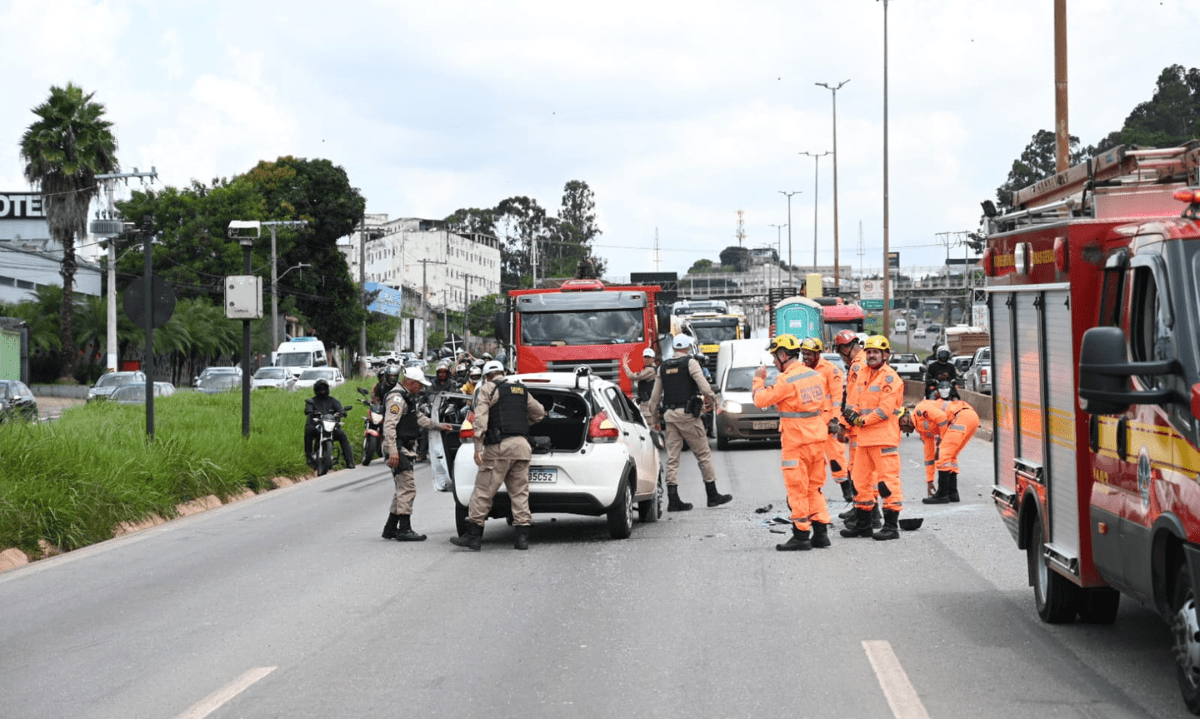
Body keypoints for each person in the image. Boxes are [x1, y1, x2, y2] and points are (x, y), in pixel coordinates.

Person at [450, 360, 546, 551]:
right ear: (503, 372)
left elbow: (480, 420)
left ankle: (473, 537)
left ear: (487, 376)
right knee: (520, 493)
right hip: (522, 446)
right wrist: (521, 426)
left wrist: (478, 447)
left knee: (483, 492)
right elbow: (540, 413)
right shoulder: (521, 390)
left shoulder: (488, 389)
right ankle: (522, 539)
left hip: (499, 448)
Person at [752, 334, 832, 551]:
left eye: (774, 358)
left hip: (797, 443)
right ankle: (821, 533)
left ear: (783, 355)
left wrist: (758, 380)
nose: (774, 363)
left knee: (797, 489)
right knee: (814, 489)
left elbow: (760, 400)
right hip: (817, 440)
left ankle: (801, 535)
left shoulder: (786, 380)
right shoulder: (815, 375)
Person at [649, 333, 732, 511]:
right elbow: (705, 388)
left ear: (674, 348)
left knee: (673, 458)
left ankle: (673, 500)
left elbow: (654, 400)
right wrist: (712, 402)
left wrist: (655, 420)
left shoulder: (662, 367)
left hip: (669, 416)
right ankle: (712, 495)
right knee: (703, 454)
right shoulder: (690, 362)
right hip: (688, 416)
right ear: (688, 348)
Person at [840, 335, 907, 541]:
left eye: (875, 352)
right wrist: (848, 416)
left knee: (887, 483)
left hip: (883, 439)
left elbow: (884, 411)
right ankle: (863, 525)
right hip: (863, 440)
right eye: (868, 352)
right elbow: (855, 402)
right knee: (860, 482)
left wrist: (860, 421)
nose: (871, 355)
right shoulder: (864, 375)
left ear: (885, 355)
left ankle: (891, 527)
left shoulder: (890, 378)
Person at [381, 366, 454, 542]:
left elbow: (419, 418)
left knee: (402, 488)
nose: (421, 388)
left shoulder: (407, 397)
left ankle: (390, 529)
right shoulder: (397, 398)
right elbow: (389, 426)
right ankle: (404, 529)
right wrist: (393, 450)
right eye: (419, 385)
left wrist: (439, 425)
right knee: (408, 488)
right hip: (398, 448)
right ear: (411, 382)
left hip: (403, 447)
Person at [800, 337, 850, 497]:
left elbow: (837, 398)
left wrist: (835, 419)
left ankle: (847, 490)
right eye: (804, 354)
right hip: (810, 423)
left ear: (817, 354)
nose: (806, 357)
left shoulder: (830, 370)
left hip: (828, 421)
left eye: (809, 354)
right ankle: (813, 491)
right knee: (812, 459)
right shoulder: (800, 370)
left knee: (836, 457)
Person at [832, 329, 871, 520]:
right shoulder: (866, 361)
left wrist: (842, 424)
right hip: (865, 424)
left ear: (847, 348)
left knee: (858, 472)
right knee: (863, 472)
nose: (841, 357)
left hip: (858, 426)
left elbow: (852, 400)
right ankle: (863, 509)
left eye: (841, 352)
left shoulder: (857, 366)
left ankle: (865, 512)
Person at [927, 380, 979, 504]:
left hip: (961, 417)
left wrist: (939, 446)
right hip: (972, 417)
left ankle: (942, 494)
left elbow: (941, 425)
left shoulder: (925, 409)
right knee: (951, 456)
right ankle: (952, 493)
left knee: (943, 456)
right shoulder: (945, 403)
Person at [902, 385, 950, 497]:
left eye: (902, 426)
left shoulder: (920, 410)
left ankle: (947, 493)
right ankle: (947, 492)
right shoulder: (921, 429)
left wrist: (941, 445)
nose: (903, 431)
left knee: (946, 455)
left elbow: (942, 418)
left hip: (958, 416)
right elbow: (929, 455)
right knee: (946, 457)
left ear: (905, 419)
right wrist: (929, 481)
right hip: (952, 425)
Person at [304, 379, 354, 470]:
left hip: (331, 427)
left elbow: (340, 409)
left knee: (342, 435)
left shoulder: (333, 401)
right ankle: (309, 456)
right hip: (317, 427)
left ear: (327, 389)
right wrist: (309, 410)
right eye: (320, 388)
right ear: (316, 390)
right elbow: (308, 408)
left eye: (324, 388)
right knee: (308, 430)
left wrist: (342, 412)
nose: (322, 390)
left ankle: (349, 461)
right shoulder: (312, 401)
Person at [622, 347, 659, 419]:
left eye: (649, 357)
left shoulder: (650, 370)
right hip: (648, 401)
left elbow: (633, 377)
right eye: (645, 357)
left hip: (647, 403)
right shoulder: (651, 369)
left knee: (649, 424)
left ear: (653, 358)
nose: (647, 359)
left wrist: (625, 366)